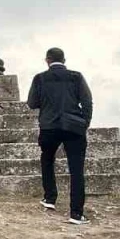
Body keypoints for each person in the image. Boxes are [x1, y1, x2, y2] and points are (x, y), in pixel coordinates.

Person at [27, 48, 93, 224]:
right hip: (74, 126)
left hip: (49, 126)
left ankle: (50, 198)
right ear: (64, 60)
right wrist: (84, 123)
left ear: (47, 60)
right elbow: (87, 101)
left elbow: (32, 103)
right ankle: (76, 214)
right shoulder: (76, 76)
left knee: (47, 160)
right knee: (77, 170)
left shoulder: (39, 78)